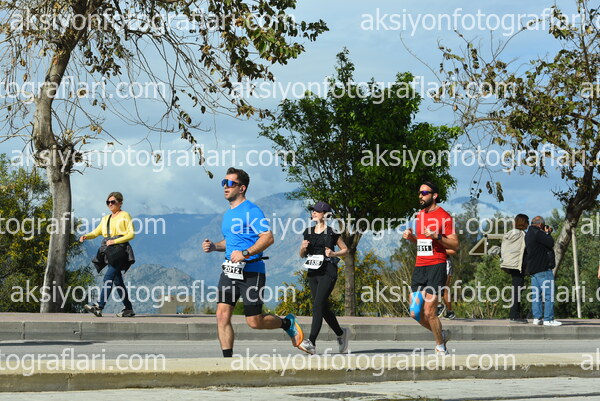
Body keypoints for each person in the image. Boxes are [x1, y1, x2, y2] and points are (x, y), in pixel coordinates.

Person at [203, 167, 303, 357]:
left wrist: (246, 253)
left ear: (242, 188)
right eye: (223, 182)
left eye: (230, 183)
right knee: (221, 315)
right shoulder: (228, 214)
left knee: (254, 321)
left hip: (251, 271)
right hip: (229, 271)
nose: (225, 186)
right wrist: (215, 246)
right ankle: (228, 361)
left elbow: (268, 237)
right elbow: (231, 242)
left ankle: (287, 323)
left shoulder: (252, 211)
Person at [403, 181, 459, 355]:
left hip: (437, 266)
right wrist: (412, 238)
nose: (420, 196)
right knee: (415, 312)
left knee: (429, 312)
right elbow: (423, 243)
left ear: (434, 195)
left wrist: (437, 236)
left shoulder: (444, 217)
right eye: (419, 193)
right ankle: (441, 334)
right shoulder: (420, 215)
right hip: (420, 266)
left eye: (424, 193)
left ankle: (440, 347)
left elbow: (455, 245)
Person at [298, 201, 349, 355]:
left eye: (317, 211)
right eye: (313, 211)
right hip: (313, 272)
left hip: (328, 271)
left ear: (326, 215)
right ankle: (341, 333)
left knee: (317, 305)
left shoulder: (332, 232)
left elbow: (345, 250)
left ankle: (311, 342)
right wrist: (302, 248)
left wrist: (333, 254)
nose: (313, 213)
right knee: (322, 307)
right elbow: (302, 255)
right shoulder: (308, 232)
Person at [82, 192, 136, 318]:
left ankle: (99, 306)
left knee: (108, 277)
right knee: (118, 282)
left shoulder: (125, 215)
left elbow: (131, 234)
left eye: (113, 202)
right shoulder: (106, 218)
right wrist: (86, 236)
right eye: (108, 202)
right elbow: (96, 232)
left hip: (121, 251)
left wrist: (114, 241)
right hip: (109, 252)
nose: (110, 204)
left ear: (120, 203)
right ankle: (128, 308)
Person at [525, 216, 562, 326]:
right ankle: (548, 319)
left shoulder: (528, 234)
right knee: (548, 294)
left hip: (533, 270)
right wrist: (547, 233)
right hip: (543, 269)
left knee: (536, 295)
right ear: (540, 224)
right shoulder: (538, 233)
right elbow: (550, 243)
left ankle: (537, 318)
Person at [500, 214, 529, 323]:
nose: (528, 224)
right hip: (518, 265)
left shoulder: (509, 234)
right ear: (524, 223)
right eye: (527, 222)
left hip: (510, 264)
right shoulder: (522, 235)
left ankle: (516, 314)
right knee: (517, 290)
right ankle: (514, 315)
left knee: (516, 289)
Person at [437, 249, 456, 320]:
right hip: (435, 263)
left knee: (445, 289)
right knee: (434, 286)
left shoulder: (445, 242)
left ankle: (450, 312)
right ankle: (439, 306)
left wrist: (439, 251)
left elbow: (453, 251)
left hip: (445, 263)